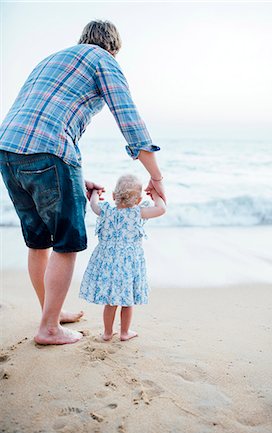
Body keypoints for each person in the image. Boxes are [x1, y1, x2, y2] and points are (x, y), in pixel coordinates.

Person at [0, 20, 166, 345]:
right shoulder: (103, 60)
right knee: (66, 241)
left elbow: (39, 117)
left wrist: (73, 177)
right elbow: (129, 120)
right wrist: (156, 177)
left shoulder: (51, 59)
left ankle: (50, 312)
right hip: (48, 152)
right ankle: (49, 328)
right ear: (113, 48)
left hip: (8, 149)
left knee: (38, 240)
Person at [79, 174, 166, 341]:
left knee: (111, 300)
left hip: (108, 263)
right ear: (139, 200)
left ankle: (107, 333)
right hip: (128, 265)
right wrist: (155, 194)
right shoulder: (138, 213)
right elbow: (161, 209)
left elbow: (93, 205)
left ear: (113, 196)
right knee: (127, 300)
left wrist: (96, 191)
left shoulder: (106, 210)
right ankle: (125, 333)